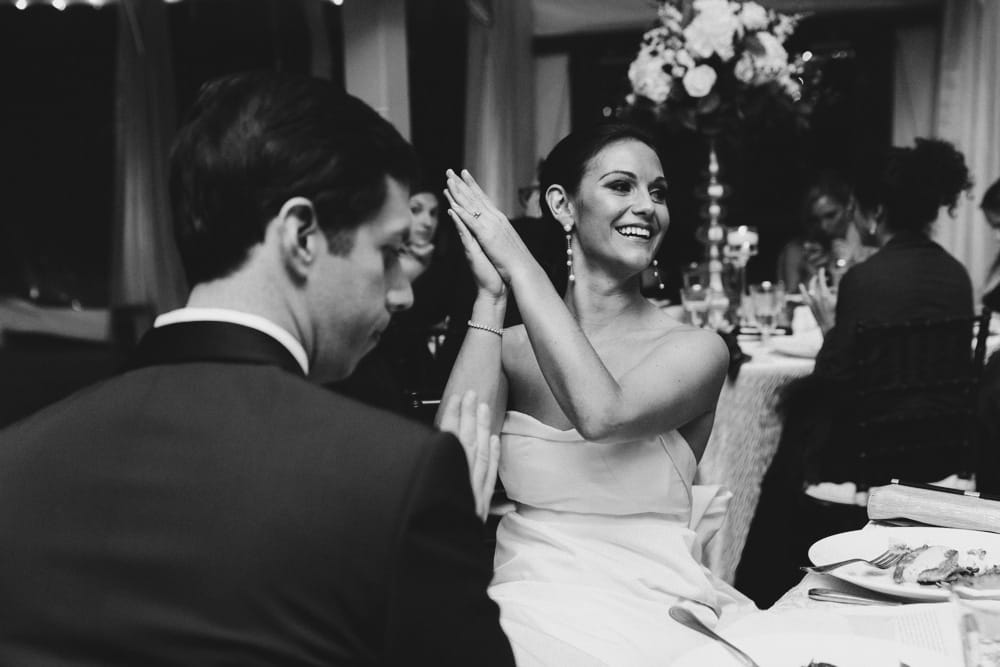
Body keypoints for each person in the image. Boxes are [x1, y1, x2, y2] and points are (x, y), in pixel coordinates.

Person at [0, 71, 514, 666]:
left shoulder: (14, 458)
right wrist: (447, 542)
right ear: (302, 236)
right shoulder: (396, 479)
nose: (401, 294)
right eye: (389, 251)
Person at [438, 123, 755, 666]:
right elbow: (445, 468)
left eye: (658, 193)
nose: (646, 207)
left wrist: (518, 263)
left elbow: (602, 414)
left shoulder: (698, 349)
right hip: (524, 599)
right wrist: (491, 298)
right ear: (561, 205)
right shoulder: (511, 350)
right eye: (621, 186)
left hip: (654, 608)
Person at [736, 137, 975, 607]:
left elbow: (835, 379)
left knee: (787, 439)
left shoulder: (866, 278)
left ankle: (761, 586)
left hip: (871, 458)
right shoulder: (956, 274)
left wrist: (829, 328)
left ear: (878, 211)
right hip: (939, 453)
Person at [777, 173, 876, 291]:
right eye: (815, 220)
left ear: (848, 208)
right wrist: (810, 274)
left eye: (830, 215)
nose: (823, 226)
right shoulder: (798, 250)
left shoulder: (870, 243)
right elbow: (789, 301)